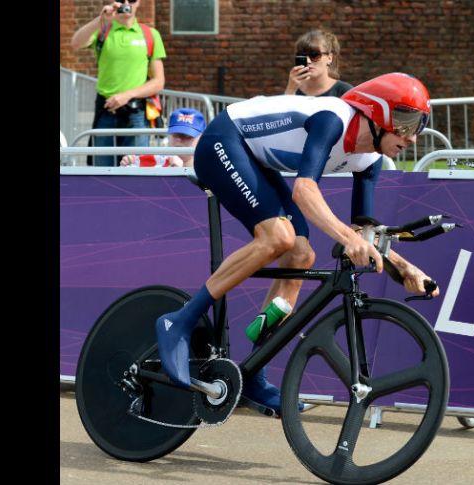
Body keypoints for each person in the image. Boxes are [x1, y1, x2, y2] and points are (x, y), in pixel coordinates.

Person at [155, 73, 438, 416]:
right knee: (278, 237)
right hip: (224, 140)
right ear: (377, 112)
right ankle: (179, 321)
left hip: (256, 159)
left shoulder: (370, 160)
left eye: (420, 126)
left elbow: (363, 231)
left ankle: (254, 374)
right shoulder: (333, 119)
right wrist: (347, 239)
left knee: (301, 254)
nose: (412, 138)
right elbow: (304, 190)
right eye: (406, 123)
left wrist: (406, 268)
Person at [70, 1, 166, 167]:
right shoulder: (103, 30)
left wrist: (127, 95)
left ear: (139, 3)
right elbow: (75, 43)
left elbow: (158, 81)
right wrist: (100, 20)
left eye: (132, 0)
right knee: (101, 171)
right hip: (106, 111)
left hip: (136, 114)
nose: (127, 3)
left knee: (135, 171)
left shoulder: (150, 34)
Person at [120, 108, 206, 168]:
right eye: (175, 134)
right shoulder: (158, 160)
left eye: (187, 136)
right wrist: (128, 165)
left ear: (201, 138)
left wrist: (181, 172)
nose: (179, 139)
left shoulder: (209, 166)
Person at [285, 30, 353, 97]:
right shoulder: (294, 90)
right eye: (302, 55)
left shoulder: (345, 91)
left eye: (314, 55)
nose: (308, 61)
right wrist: (290, 90)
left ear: (329, 58)